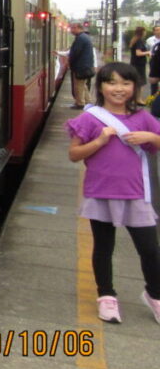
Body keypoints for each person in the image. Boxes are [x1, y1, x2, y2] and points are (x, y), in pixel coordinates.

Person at [66, 62, 160, 325]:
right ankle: (106, 296)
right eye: (112, 83)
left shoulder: (143, 117)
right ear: (101, 87)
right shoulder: (89, 119)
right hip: (101, 193)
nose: (118, 89)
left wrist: (149, 138)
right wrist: (99, 141)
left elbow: (158, 140)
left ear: (134, 87)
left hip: (137, 194)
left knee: (150, 249)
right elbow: (74, 155)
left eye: (125, 83)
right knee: (103, 247)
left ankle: (155, 295)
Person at [65, 23, 95, 109]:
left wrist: (70, 62)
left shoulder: (80, 38)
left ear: (78, 28)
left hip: (81, 66)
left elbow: (75, 53)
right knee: (83, 85)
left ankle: (80, 103)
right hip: (85, 66)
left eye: (72, 28)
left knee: (78, 86)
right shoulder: (84, 37)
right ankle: (88, 102)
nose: (71, 31)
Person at [149, 25, 160, 96]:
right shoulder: (149, 40)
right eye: (156, 30)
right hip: (154, 62)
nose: (158, 31)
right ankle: (153, 98)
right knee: (154, 82)